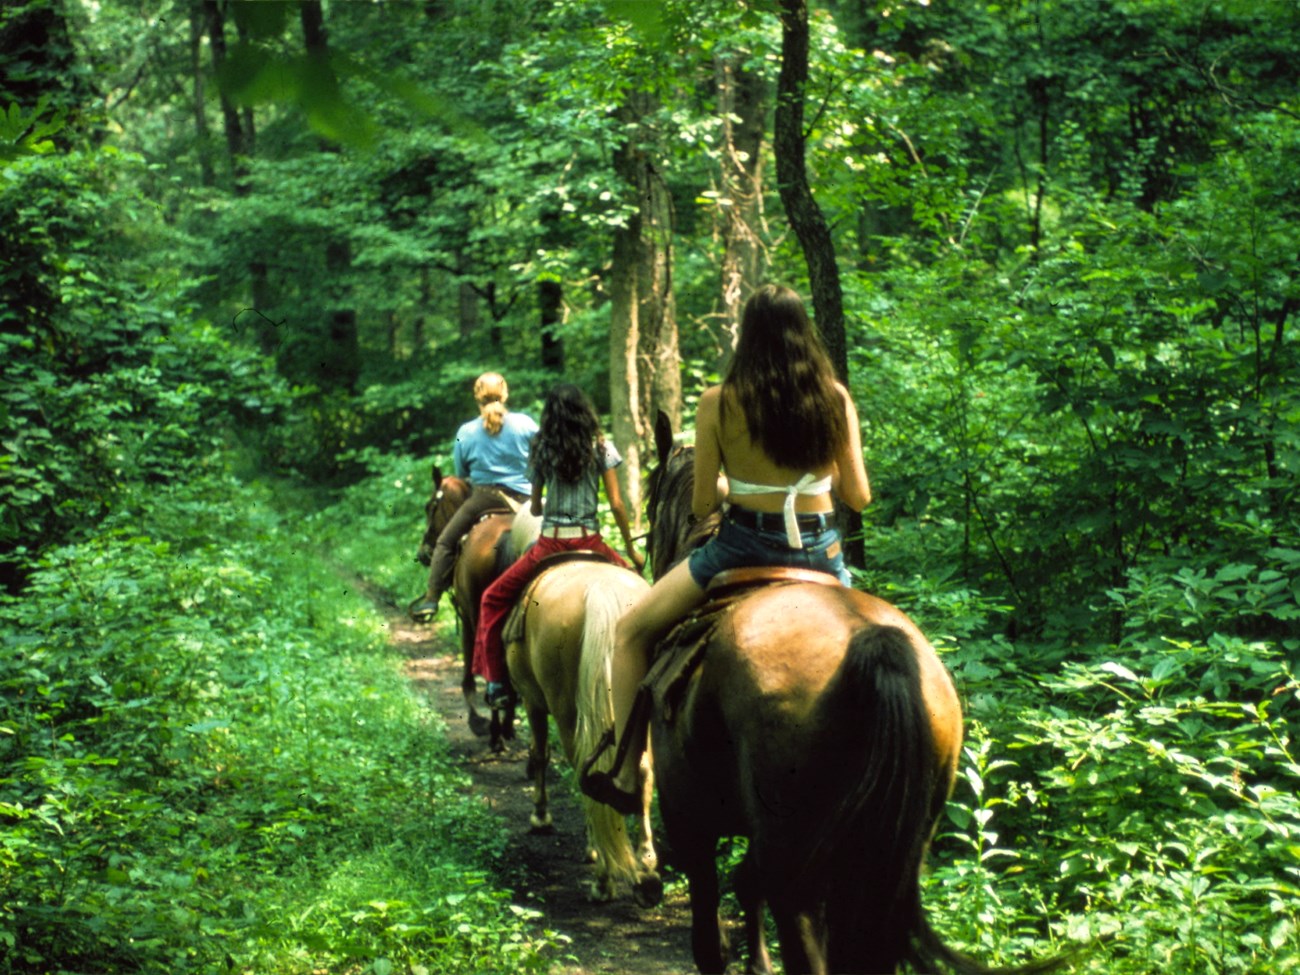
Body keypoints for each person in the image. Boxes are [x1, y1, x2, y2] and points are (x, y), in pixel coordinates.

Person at [581, 283, 871, 813]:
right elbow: (859, 496)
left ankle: (626, 771)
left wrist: (738, 488)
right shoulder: (835, 398)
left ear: (747, 335)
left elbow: (698, 505)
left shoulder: (719, 400)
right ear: (806, 332)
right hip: (823, 557)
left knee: (630, 633)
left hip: (741, 549)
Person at [472, 383, 645, 706]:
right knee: (644, 597)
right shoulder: (602, 447)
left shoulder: (542, 447)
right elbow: (618, 505)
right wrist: (631, 549)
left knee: (492, 599)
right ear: (585, 413)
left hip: (549, 545)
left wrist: (545, 504)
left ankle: (496, 682)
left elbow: (535, 507)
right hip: (591, 541)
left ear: (551, 416)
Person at [409, 372, 538, 622]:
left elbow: (461, 473)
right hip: (525, 503)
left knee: (445, 542)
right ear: (505, 394)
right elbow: (540, 459)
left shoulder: (465, 431)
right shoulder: (527, 424)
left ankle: (431, 597)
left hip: (483, 499)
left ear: (476, 397)